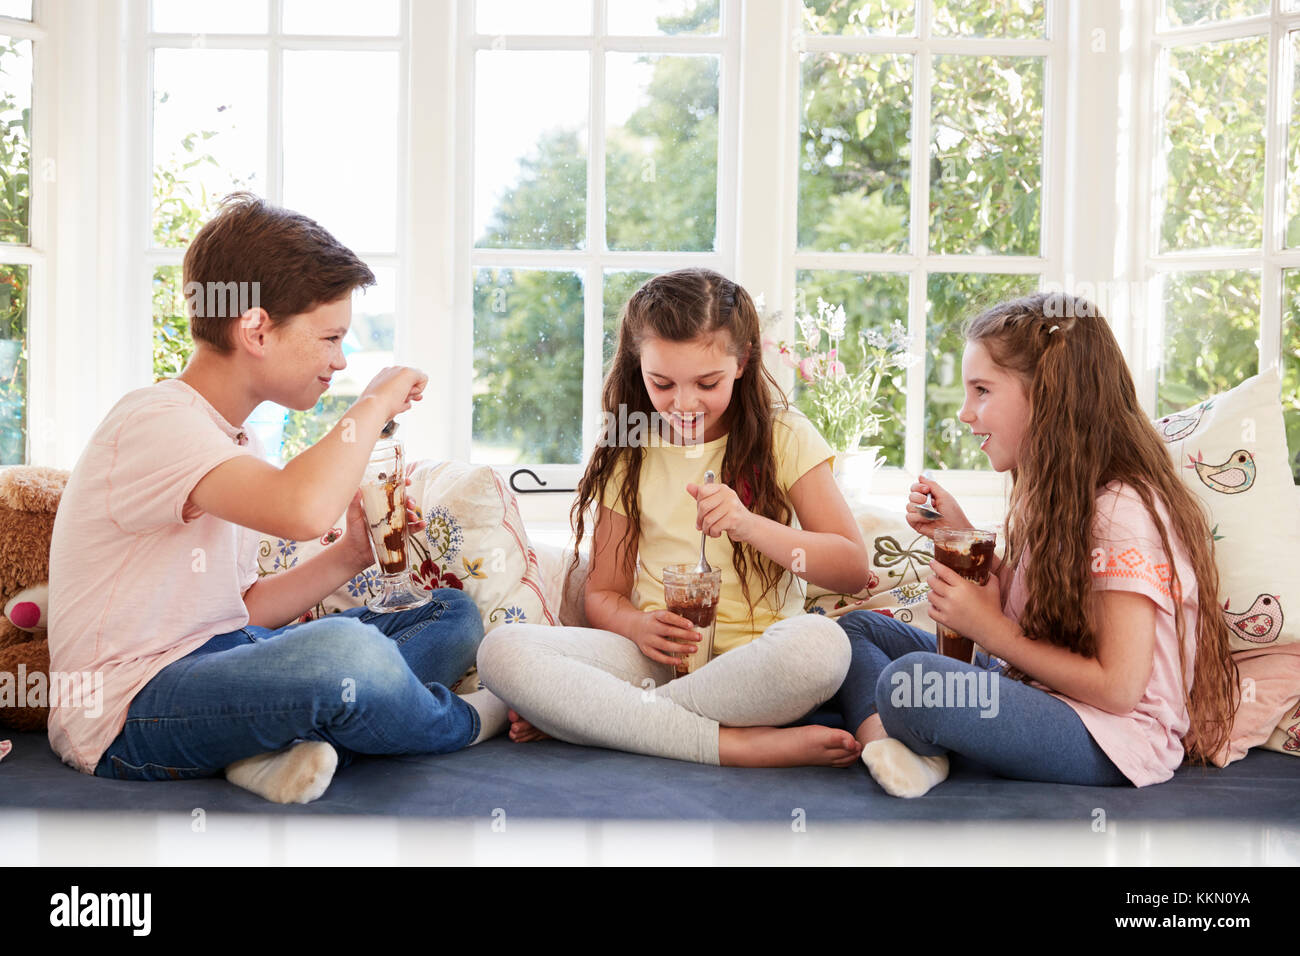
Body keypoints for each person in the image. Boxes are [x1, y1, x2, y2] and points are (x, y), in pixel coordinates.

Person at [47, 194, 503, 804]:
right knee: (346, 655)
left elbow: (240, 612)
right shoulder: (153, 419)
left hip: (224, 657)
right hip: (128, 710)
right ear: (257, 329)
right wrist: (371, 406)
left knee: (449, 615)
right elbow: (302, 508)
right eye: (330, 338)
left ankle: (266, 747)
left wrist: (350, 555)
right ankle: (466, 721)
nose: (340, 361)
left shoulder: (236, 438)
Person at [836, 292, 1239, 797]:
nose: (965, 412)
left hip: (1108, 734)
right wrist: (960, 536)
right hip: (1032, 685)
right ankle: (892, 749)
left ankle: (913, 739)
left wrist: (991, 631)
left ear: (1050, 396)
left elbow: (1118, 689)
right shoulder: (1050, 491)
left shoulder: (1122, 512)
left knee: (910, 683)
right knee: (852, 631)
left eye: (982, 390)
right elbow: (1038, 607)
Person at [476, 268, 871, 768]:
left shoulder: (785, 436)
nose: (683, 405)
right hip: (655, 664)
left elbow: (851, 568)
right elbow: (602, 594)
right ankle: (732, 745)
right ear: (637, 364)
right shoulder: (629, 446)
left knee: (822, 647)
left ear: (743, 361)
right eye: (661, 383)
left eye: (707, 383)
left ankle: (606, 722)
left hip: (756, 668)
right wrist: (638, 626)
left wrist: (749, 524)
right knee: (503, 651)